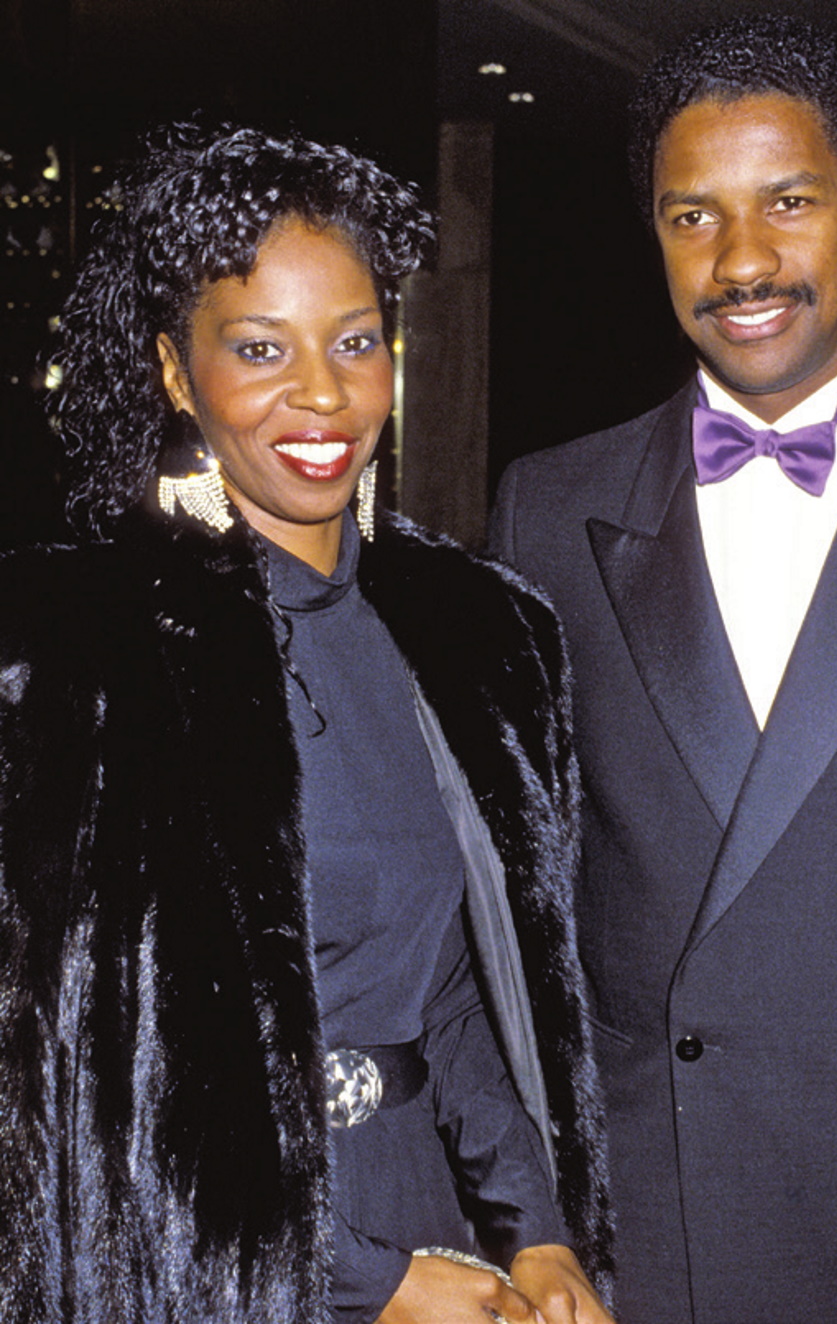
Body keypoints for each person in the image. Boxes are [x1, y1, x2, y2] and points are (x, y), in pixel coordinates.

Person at [0, 122, 615, 1323]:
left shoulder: (473, 635)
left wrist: (537, 1232)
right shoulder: (73, 653)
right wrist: (371, 1279)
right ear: (176, 372)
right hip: (216, 1262)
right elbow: (63, 1074)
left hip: (433, 1223)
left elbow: (457, 987)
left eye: (354, 341)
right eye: (259, 348)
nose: (323, 393)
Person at [490, 14, 837, 1324]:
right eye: (692, 217)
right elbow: (507, 915)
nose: (741, 261)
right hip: (643, 1243)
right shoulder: (546, 509)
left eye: (788, 202)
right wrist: (530, 1229)